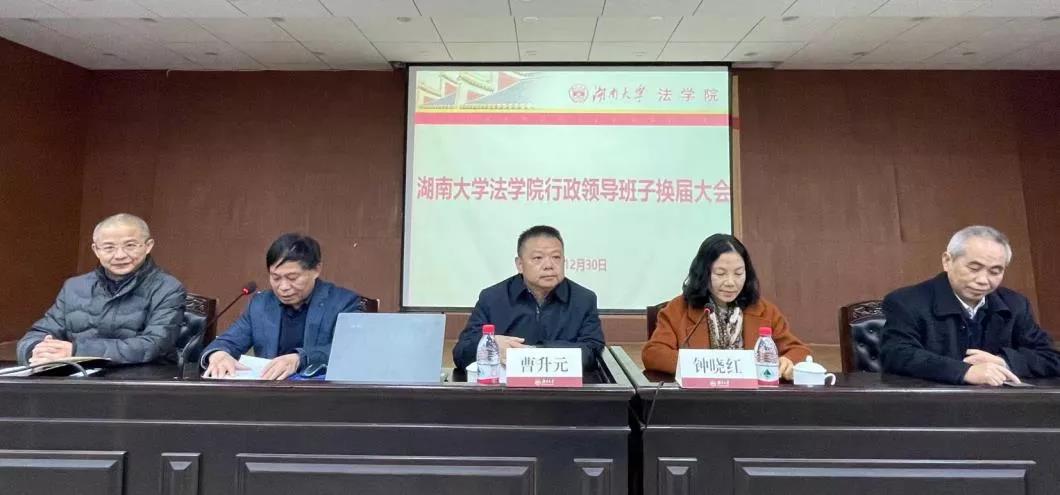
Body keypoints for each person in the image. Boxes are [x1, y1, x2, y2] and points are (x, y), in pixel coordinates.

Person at [880, 226, 1060, 386]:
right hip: (933, 404)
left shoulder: (1015, 304)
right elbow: (897, 354)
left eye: (995, 271)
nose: (983, 280)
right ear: (947, 261)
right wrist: (964, 371)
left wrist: (1003, 361)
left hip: (1002, 404)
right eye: (974, 268)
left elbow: (1051, 356)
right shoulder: (906, 301)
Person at [17, 213, 186, 365]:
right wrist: (36, 350)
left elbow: (154, 344)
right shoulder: (75, 287)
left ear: (148, 246)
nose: (120, 255)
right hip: (78, 377)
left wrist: (77, 351)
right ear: (96, 250)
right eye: (109, 248)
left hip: (141, 379)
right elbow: (42, 331)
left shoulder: (168, 288)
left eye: (130, 245)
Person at [642, 234, 810, 379]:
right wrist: (698, 365)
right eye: (720, 273)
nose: (730, 282)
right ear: (703, 273)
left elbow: (798, 351)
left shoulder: (764, 310)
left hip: (752, 399)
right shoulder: (678, 309)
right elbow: (653, 353)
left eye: (738, 273)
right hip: (699, 398)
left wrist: (787, 361)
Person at [202, 233, 362, 380]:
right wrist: (218, 354)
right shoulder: (261, 304)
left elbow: (350, 350)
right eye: (276, 278)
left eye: (292, 278)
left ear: (316, 270)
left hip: (321, 396)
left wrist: (300, 359)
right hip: (270, 394)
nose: (283, 287)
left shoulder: (342, 303)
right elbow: (228, 341)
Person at [453, 225, 605, 371]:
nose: (549, 265)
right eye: (538, 258)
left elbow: (593, 353)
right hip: (507, 386)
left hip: (563, 387)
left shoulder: (583, 300)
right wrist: (489, 346)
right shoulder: (493, 298)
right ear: (520, 264)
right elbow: (461, 354)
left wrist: (535, 352)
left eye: (556, 257)